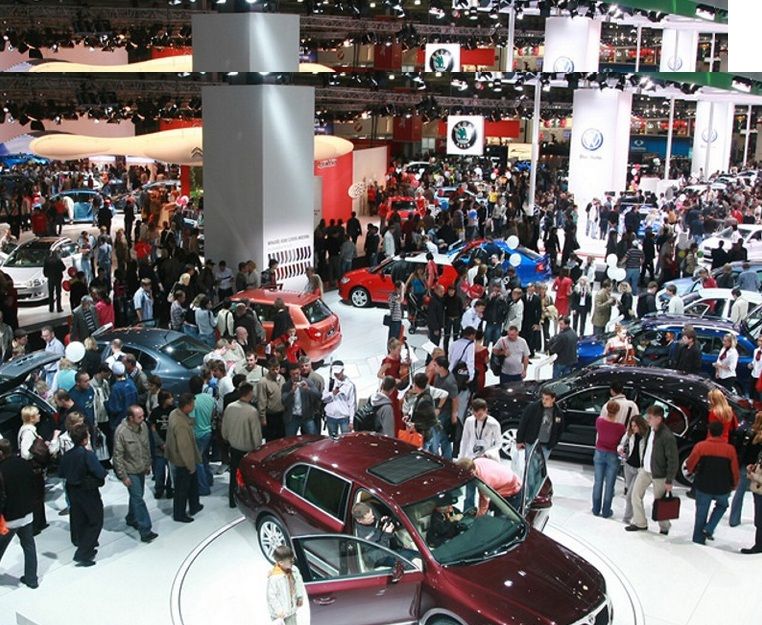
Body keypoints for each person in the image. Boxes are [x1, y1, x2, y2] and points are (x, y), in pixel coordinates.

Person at [58, 423, 107, 566]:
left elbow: (61, 473)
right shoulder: (87, 455)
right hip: (87, 491)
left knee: (80, 519)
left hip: (72, 491)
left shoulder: (67, 455)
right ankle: (83, 553)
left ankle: (85, 546)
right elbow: (100, 472)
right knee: (96, 520)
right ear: (85, 439)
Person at [626, 404, 679, 535]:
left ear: (659, 419)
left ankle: (664, 527)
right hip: (645, 470)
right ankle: (640, 523)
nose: (647, 420)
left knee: (660, 502)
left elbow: (673, 460)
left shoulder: (667, 437)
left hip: (659, 474)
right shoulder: (650, 431)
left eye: (650, 417)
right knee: (635, 495)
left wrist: (669, 480)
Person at [685, 420, 739, 545]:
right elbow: (734, 470)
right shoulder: (730, 449)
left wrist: (692, 471)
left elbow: (690, 464)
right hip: (722, 487)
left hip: (703, 485)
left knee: (701, 513)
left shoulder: (701, 446)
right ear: (722, 432)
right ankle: (709, 528)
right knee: (722, 506)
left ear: (709, 431)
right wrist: (734, 484)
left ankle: (698, 540)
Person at [113, 405, 157, 543]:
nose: (143, 418)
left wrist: (148, 464)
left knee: (137, 496)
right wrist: (123, 476)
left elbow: (146, 446)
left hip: (141, 468)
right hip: (130, 470)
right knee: (138, 499)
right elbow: (117, 456)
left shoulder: (143, 426)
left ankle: (131, 518)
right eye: (139, 417)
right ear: (131, 418)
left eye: (143, 416)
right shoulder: (121, 432)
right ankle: (145, 530)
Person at [0, 438, 39, 588]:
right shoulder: (24, 463)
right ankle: (32, 579)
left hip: (9, 518)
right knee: (29, 546)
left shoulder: (1, 470)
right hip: (27, 512)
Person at [222, 383, 262, 508]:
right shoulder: (251, 411)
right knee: (249, 477)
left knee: (234, 475)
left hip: (233, 447)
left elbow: (224, 428)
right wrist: (258, 450)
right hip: (248, 451)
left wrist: (227, 439)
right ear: (249, 393)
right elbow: (256, 435)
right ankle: (249, 501)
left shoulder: (230, 407)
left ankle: (232, 500)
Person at [165, 393, 203, 523]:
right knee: (182, 489)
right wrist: (190, 466)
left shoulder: (174, 413)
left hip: (180, 458)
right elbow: (184, 448)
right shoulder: (180, 424)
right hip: (183, 461)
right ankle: (179, 514)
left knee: (192, 485)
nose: (194, 407)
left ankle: (194, 505)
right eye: (192, 404)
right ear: (186, 405)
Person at [592, 400, 627, 518]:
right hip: (612, 454)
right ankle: (606, 511)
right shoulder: (621, 427)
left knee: (598, 482)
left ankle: (596, 509)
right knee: (610, 484)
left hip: (599, 452)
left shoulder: (599, 421)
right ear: (618, 412)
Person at [455, 456, 522, 514]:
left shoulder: (484, 481)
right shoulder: (476, 461)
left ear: (471, 472)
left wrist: (479, 518)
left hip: (513, 491)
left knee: (500, 519)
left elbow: (484, 503)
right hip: (502, 484)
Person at [516, 390, 564, 462]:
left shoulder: (558, 412)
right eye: (543, 398)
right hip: (531, 443)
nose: (544, 401)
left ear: (553, 399)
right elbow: (523, 424)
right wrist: (519, 440)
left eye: (547, 399)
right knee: (530, 466)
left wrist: (553, 443)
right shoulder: (532, 408)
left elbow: (560, 429)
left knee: (541, 466)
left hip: (546, 445)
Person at [618, 414, 648, 526]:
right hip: (628, 465)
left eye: (635, 426)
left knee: (632, 495)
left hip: (640, 470)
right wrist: (620, 450)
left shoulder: (646, 437)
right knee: (630, 493)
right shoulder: (629, 434)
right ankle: (633, 516)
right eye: (632, 426)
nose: (633, 428)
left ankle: (627, 518)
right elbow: (621, 444)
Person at [190, 375, 216, 496]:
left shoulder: (192, 401)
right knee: (204, 458)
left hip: (197, 434)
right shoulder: (209, 398)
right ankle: (209, 479)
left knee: (198, 461)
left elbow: (191, 420)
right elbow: (213, 414)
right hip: (208, 432)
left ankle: (203, 487)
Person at [266, 545, 306, 625]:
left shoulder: (294, 570)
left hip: (291, 610)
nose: (292, 562)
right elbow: (271, 596)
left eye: (293, 560)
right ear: (281, 563)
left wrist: (300, 596)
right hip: (279, 614)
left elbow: (298, 583)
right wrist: (279, 610)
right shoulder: (274, 578)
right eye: (290, 561)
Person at [282, 363, 321, 437]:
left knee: (314, 437)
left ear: (300, 371)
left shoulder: (307, 382)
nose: (295, 376)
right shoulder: (286, 385)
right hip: (292, 417)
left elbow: (318, 395)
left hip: (306, 415)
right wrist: (291, 392)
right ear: (290, 373)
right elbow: (284, 401)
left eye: (297, 373)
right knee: (289, 439)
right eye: (293, 374)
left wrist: (308, 389)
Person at [149, 390, 174, 500]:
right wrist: (160, 443)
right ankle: (159, 489)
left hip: (171, 445)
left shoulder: (174, 411)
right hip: (159, 446)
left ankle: (170, 489)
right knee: (159, 471)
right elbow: (153, 429)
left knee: (171, 470)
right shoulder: (155, 412)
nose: (172, 399)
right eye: (169, 397)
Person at [257, 358, 286, 442]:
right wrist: (262, 418)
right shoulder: (263, 382)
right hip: (271, 416)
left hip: (282, 414)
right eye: (273, 369)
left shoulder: (282, 378)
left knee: (282, 439)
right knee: (271, 440)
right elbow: (261, 400)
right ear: (268, 368)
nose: (276, 371)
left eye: (277, 369)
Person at [42, 248, 65, 313]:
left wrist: (47, 275)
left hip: (50, 278)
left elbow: (45, 270)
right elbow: (64, 268)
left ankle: (51, 308)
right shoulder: (58, 260)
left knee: (51, 294)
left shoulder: (47, 261)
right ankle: (59, 308)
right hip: (58, 278)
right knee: (58, 293)